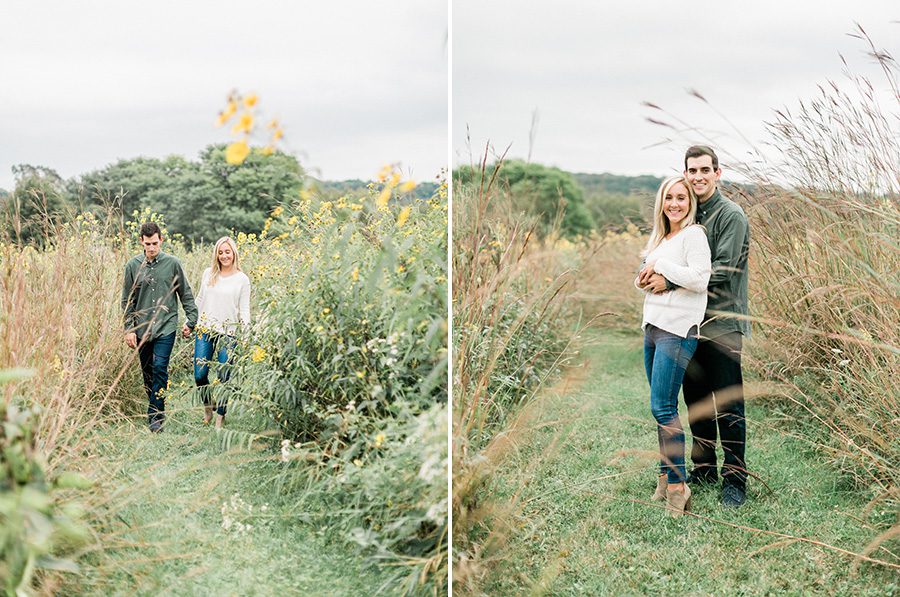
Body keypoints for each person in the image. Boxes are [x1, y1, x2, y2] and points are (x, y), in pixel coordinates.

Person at [643, 145, 751, 508]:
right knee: (697, 402)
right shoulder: (688, 213)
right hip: (687, 325)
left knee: (728, 405)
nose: (699, 176)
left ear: (717, 174)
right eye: (692, 170)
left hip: (722, 323)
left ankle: (735, 479)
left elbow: (723, 271)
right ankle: (703, 467)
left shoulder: (730, 216)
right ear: (686, 173)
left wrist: (669, 281)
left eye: (706, 170)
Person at [636, 176, 711, 516]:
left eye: (681, 197)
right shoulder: (660, 237)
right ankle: (667, 476)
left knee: (664, 407)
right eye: (669, 197)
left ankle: (679, 487)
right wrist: (643, 278)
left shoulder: (693, 234)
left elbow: (699, 278)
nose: (675, 204)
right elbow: (648, 279)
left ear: (689, 202)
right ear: (661, 202)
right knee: (659, 407)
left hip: (677, 330)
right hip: (652, 327)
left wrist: (661, 267)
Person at [122, 222, 198, 433]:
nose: (152, 248)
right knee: (147, 372)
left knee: (160, 368)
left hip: (166, 326)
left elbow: (185, 292)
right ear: (141, 242)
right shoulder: (132, 266)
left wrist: (191, 320)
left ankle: (156, 415)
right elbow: (127, 300)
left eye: (155, 243)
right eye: (148, 244)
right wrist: (128, 329)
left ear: (161, 240)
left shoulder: (173, 264)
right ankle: (155, 403)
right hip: (142, 328)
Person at [191, 236, 251, 430]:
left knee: (224, 376)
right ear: (216, 254)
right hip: (205, 328)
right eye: (220, 252)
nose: (224, 256)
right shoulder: (208, 273)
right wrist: (189, 322)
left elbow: (244, 310)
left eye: (227, 252)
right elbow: (200, 299)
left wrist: (247, 335)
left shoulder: (242, 279)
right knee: (200, 375)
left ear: (234, 253)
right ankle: (208, 406)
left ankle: (220, 417)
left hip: (228, 332)